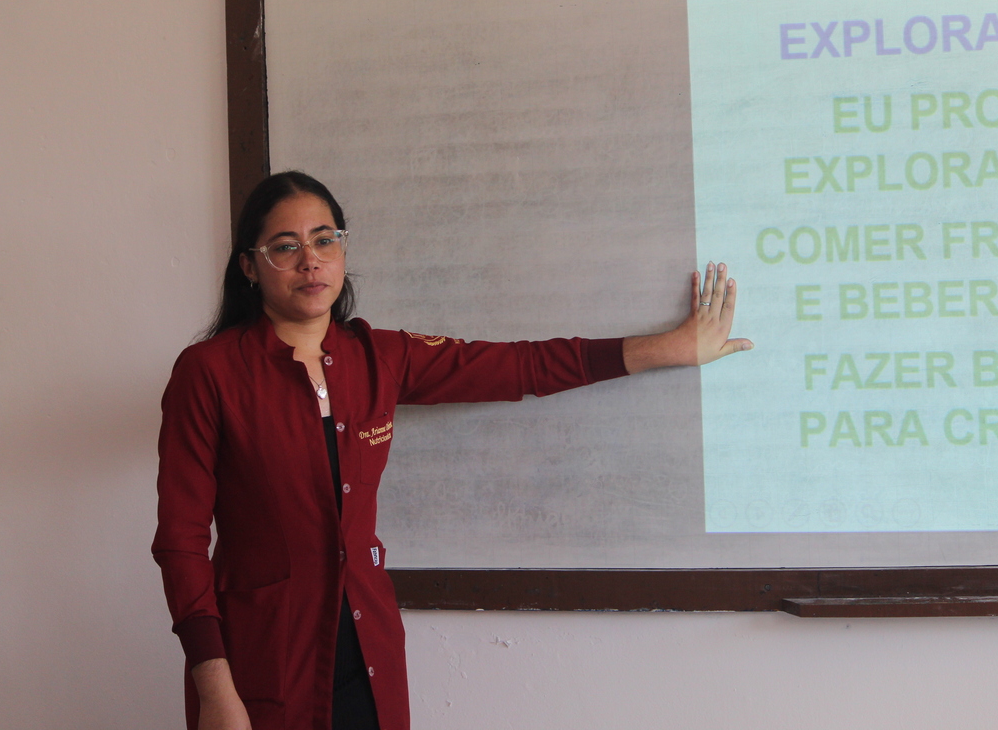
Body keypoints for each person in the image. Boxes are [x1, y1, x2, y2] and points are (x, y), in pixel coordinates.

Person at [152, 171, 752, 730]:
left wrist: (668, 349)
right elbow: (180, 543)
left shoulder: (379, 357)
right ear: (250, 266)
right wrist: (215, 689)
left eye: (324, 239)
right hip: (260, 661)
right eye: (285, 246)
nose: (310, 260)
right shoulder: (208, 373)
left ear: (343, 251)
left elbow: (521, 366)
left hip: (367, 652)